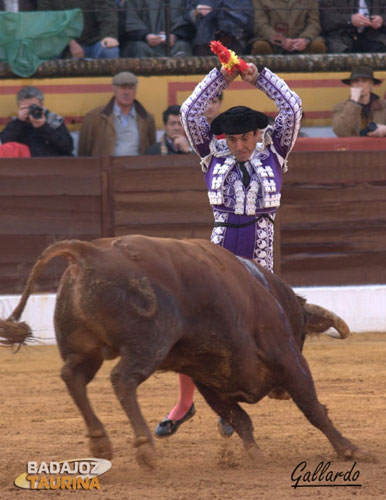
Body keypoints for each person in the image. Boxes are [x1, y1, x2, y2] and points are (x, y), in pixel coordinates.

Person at [154, 60, 302, 439]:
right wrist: (222, 75)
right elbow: (189, 111)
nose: (239, 146)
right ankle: (186, 404)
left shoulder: (276, 152)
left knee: (258, 331)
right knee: (197, 327)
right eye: (232, 140)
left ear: (258, 135)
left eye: (246, 138)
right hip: (220, 252)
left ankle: (230, 397)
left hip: (261, 256)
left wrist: (258, 76)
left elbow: (292, 108)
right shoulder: (211, 156)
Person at [78, 71, 156, 156]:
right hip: (105, 168)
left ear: (135, 90)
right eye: (122, 88)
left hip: (136, 168)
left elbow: (152, 150)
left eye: (130, 88)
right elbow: (84, 151)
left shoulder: (147, 118)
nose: (126, 92)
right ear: (114, 89)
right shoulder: (94, 117)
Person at [0, 86, 73, 156]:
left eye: (33, 107)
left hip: (53, 163)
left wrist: (43, 127)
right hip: (26, 165)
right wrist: (19, 122)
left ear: (42, 105)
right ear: (19, 107)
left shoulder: (53, 120)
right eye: (25, 108)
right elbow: (4, 145)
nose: (30, 111)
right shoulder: (15, 124)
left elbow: (68, 147)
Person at [37, 0, 120, 59]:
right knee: (46, 53)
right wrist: (71, 42)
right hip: (60, 40)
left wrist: (109, 36)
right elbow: (48, 20)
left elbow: (107, 14)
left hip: (92, 40)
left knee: (109, 52)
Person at [175, 0, 253, 56]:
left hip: (232, 42)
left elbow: (247, 23)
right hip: (204, 44)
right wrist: (196, 13)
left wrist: (217, 12)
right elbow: (185, 21)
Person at [250, 0, 327, 54]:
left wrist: (305, 39)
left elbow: (314, 23)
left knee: (318, 46)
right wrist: (281, 40)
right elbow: (260, 25)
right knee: (261, 46)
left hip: (302, 41)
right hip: (271, 42)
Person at [121, 0, 192, 57]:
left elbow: (187, 21)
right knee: (140, 48)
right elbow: (131, 21)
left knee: (183, 46)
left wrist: (175, 36)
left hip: (174, 42)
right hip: (142, 41)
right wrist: (146, 36)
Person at [332, 65, 386, 137]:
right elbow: (340, 132)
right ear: (351, 85)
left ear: (372, 85)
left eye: (364, 81)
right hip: (354, 147)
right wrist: (353, 101)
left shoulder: (384, 106)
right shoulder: (340, 108)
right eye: (355, 81)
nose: (359, 84)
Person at [319, 0, 386, 53]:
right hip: (342, 36)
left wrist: (382, 20)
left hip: (374, 36)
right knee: (341, 56)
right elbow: (326, 19)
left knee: (381, 50)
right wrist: (350, 19)